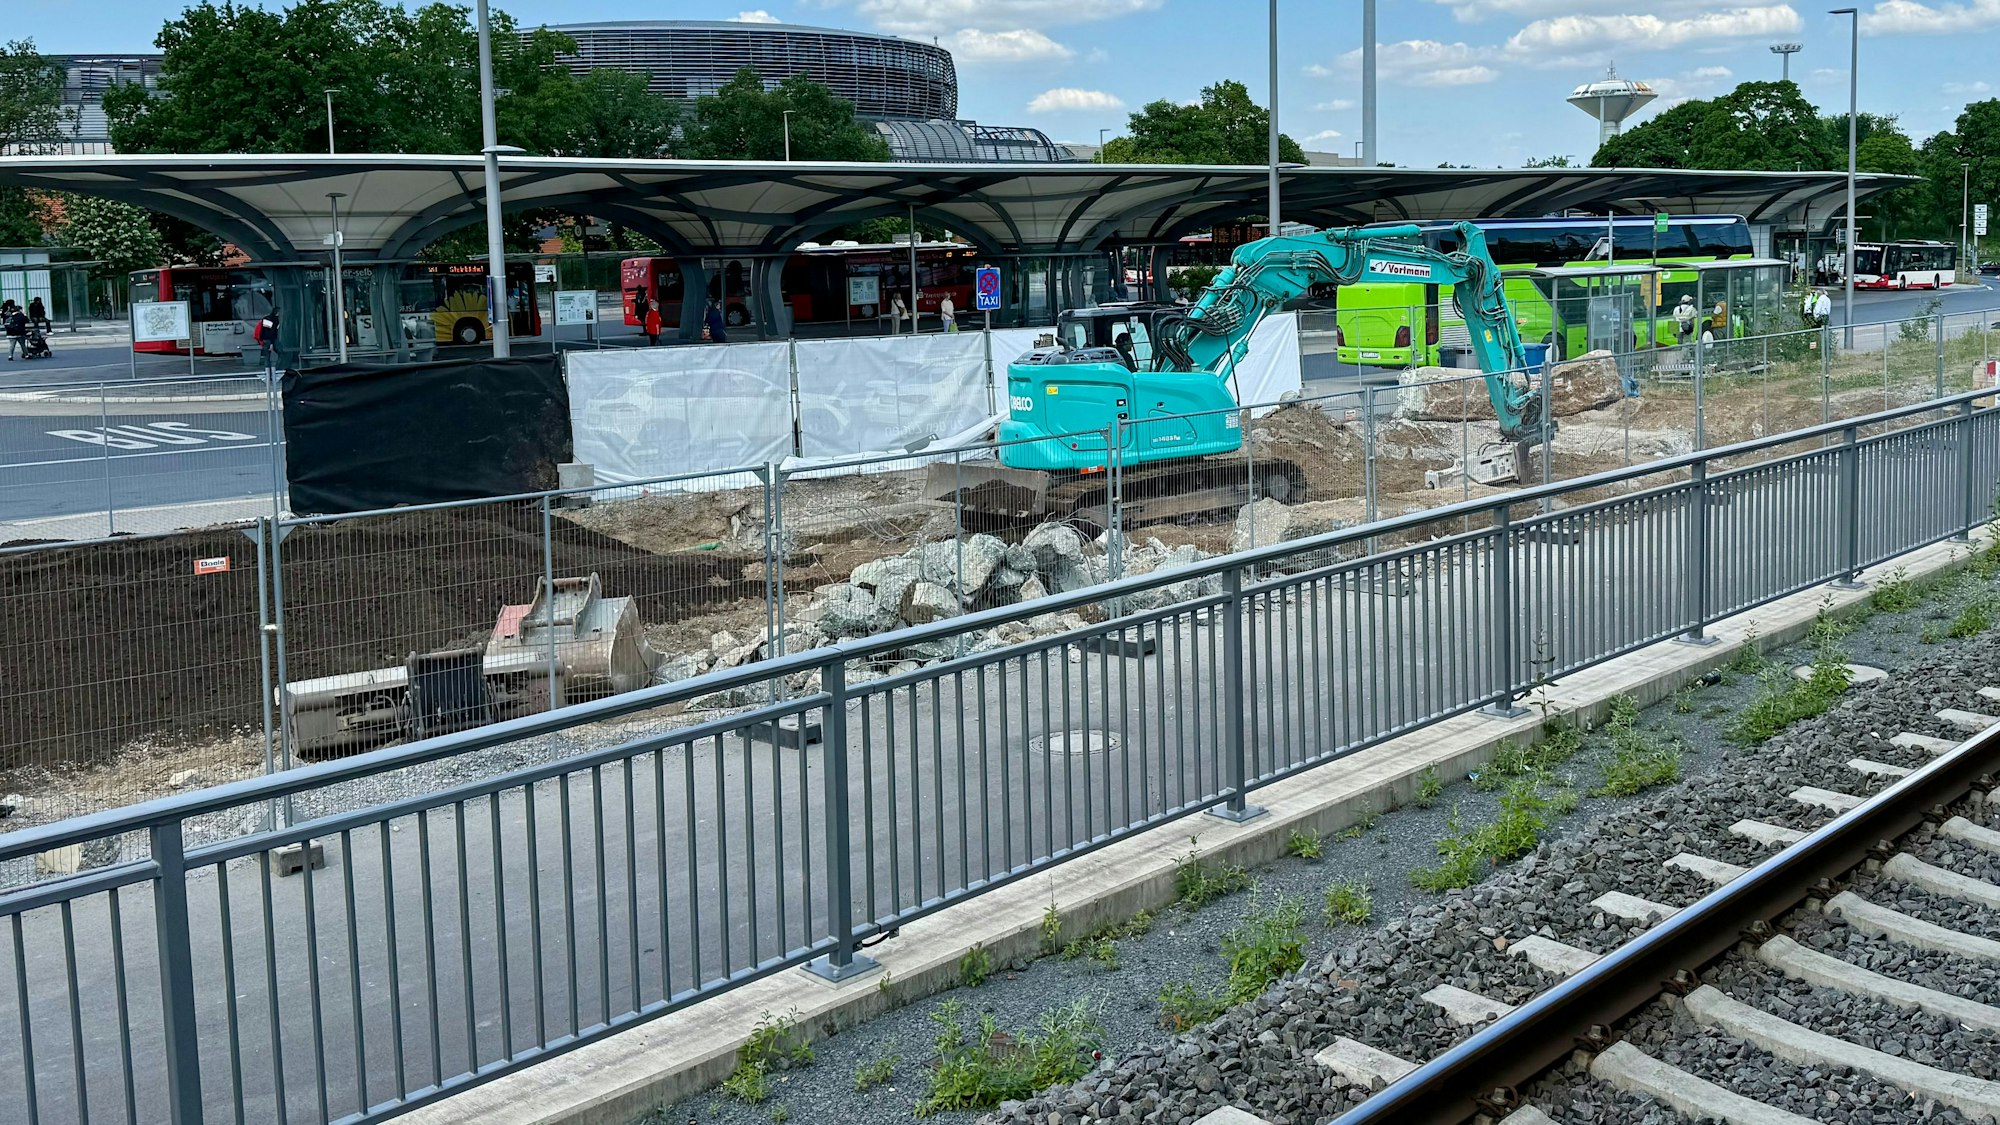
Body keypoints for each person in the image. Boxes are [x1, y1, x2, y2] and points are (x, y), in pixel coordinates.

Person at [254, 307, 281, 375]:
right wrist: (272, 343)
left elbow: (265, 331)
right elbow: (271, 332)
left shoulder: (266, 318)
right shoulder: (275, 319)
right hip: (271, 340)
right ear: (277, 313)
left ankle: (268, 374)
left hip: (265, 340)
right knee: (281, 353)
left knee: (267, 357)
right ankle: (276, 371)